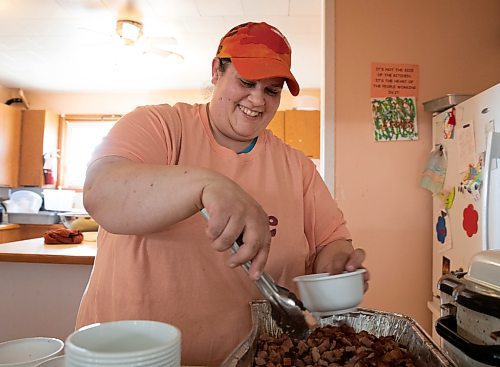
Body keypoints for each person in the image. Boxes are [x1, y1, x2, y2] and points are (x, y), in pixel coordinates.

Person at [76, 21, 369, 365]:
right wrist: (207, 185)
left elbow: (330, 243)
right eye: (246, 82)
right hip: (130, 356)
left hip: (249, 357)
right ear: (217, 71)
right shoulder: (159, 127)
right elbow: (101, 192)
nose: (257, 100)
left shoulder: (298, 168)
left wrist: (336, 267)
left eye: (272, 90)